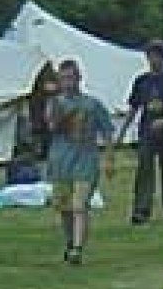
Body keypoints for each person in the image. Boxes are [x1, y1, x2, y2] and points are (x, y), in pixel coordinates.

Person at [45, 59, 114, 265]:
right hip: (60, 161)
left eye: (71, 78)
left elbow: (107, 131)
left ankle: (77, 249)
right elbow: (51, 126)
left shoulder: (92, 104)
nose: (68, 82)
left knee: (79, 205)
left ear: (79, 78)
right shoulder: (55, 103)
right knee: (65, 208)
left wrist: (110, 158)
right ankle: (69, 242)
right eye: (64, 78)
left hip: (86, 161)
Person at [111, 40, 163, 224]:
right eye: (150, 56)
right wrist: (122, 133)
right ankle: (141, 210)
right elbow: (133, 108)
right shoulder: (142, 81)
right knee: (144, 169)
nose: (153, 60)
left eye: (156, 56)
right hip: (147, 132)